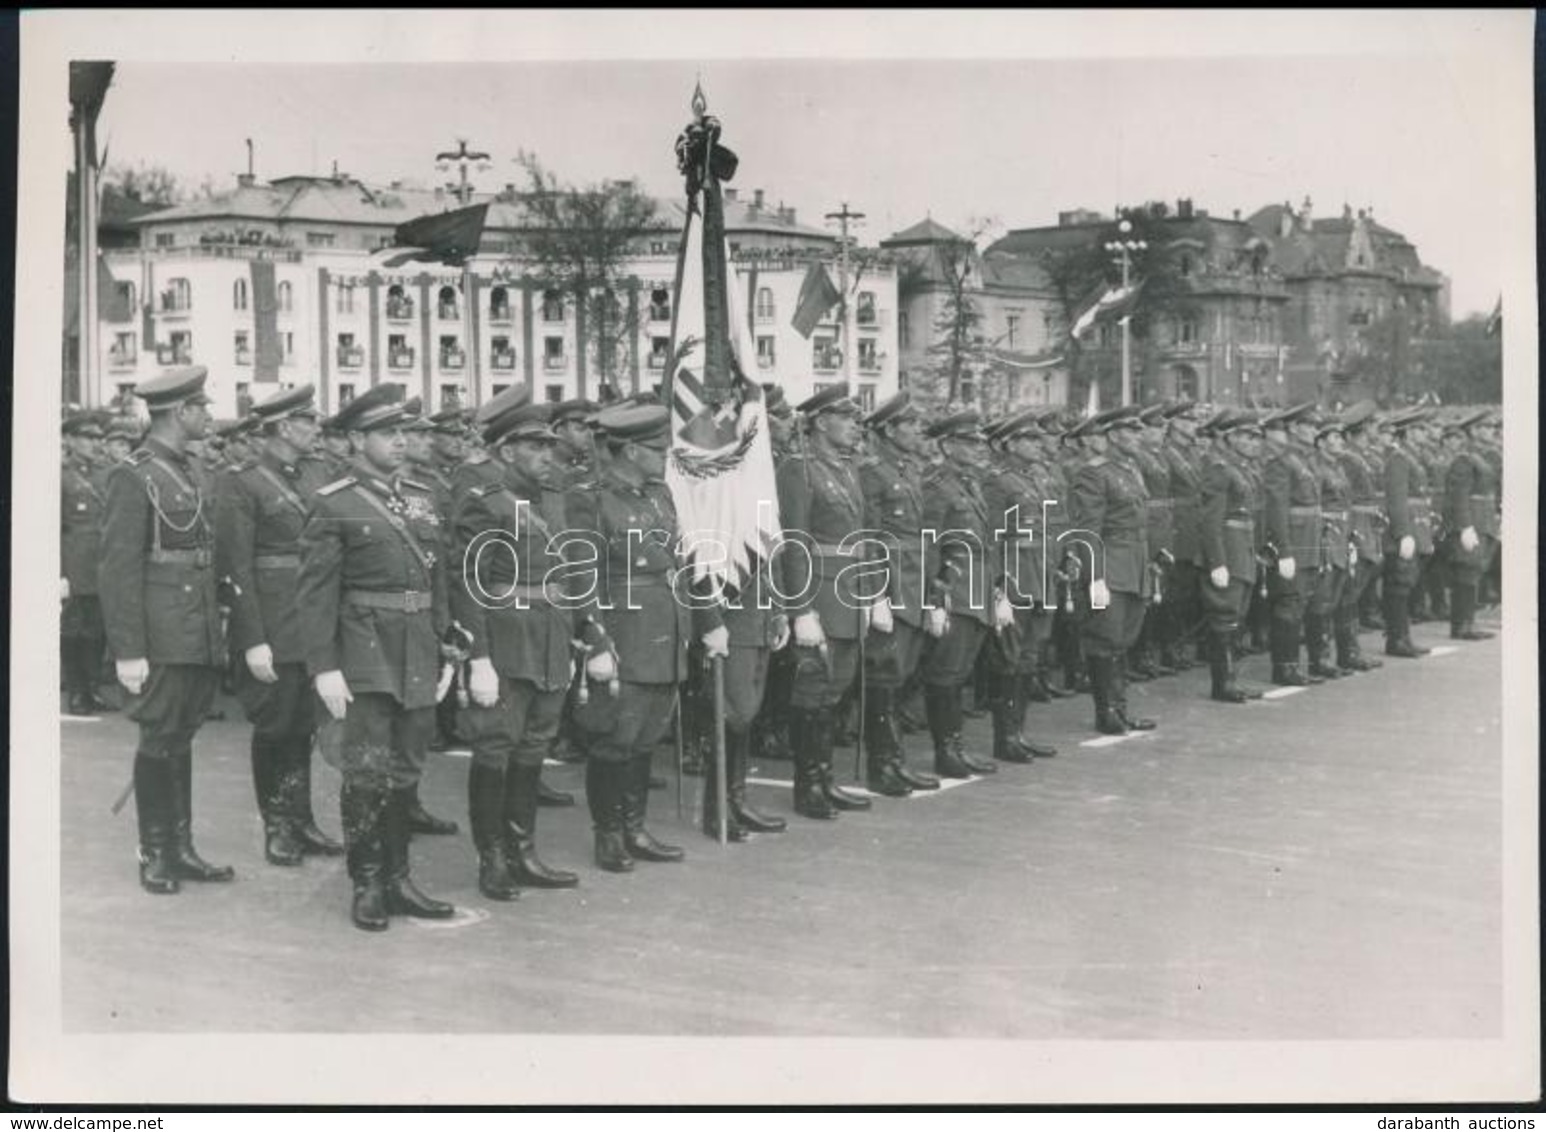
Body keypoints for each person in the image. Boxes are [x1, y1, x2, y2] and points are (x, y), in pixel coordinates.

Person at [294, 384, 457, 931]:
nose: (401, 442)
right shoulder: (333, 501)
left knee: (406, 769)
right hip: (364, 651)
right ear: (357, 439)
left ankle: (399, 878)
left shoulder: (422, 496)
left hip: (415, 648)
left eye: (404, 432)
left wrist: (444, 644)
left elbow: (439, 577)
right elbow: (315, 593)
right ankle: (367, 882)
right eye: (389, 433)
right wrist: (324, 667)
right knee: (367, 771)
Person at [98, 366, 234, 895]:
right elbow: (119, 570)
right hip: (159, 633)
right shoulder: (133, 475)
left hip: (194, 626)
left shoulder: (192, 470)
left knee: (180, 736)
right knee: (159, 736)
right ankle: (154, 851)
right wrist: (129, 651)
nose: (208, 416)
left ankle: (181, 848)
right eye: (202, 408)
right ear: (180, 413)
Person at [449, 397, 582, 898]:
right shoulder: (484, 498)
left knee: (534, 744)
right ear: (506, 451)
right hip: (506, 637)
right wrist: (479, 657)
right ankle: (493, 859)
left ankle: (523, 850)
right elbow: (469, 583)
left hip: (548, 633)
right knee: (497, 746)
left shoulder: (551, 497)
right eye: (533, 446)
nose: (546, 454)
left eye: (549, 445)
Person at [215, 384, 345, 867]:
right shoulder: (242, 481)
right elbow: (236, 567)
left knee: (304, 725)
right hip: (271, 622)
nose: (316, 429)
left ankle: (302, 819)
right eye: (308, 422)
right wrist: (253, 639)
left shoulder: (317, 472)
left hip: (311, 621)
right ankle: (276, 824)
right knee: (275, 725)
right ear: (284, 427)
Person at [573, 403, 705, 870]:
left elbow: (679, 563)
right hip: (624, 630)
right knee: (616, 737)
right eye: (656, 449)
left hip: (664, 628)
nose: (664, 457)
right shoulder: (591, 498)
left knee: (647, 737)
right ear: (629, 450)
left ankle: (635, 827)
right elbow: (582, 576)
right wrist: (595, 641)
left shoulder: (659, 495)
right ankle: (608, 834)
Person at [775, 384, 880, 819]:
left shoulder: (845, 468)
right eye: (848, 417)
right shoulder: (797, 470)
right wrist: (800, 609)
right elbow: (794, 543)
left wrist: (873, 593)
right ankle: (808, 786)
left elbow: (864, 537)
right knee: (812, 691)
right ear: (820, 422)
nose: (857, 426)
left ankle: (825, 778)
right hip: (820, 590)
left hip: (850, 590)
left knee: (834, 691)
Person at [855, 392, 943, 795]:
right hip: (890, 581)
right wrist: (875, 594)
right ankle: (882, 765)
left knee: (901, 673)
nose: (916, 431)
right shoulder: (871, 471)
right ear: (888, 430)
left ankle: (894, 759)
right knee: (884, 676)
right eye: (908, 425)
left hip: (912, 580)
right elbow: (868, 539)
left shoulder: (909, 469)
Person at [1065, 405, 1157, 735]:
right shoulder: (1094, 473)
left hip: (1133, 563)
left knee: (1123, 641)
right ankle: (1106, 712)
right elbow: (1087, 530)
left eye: (1138, 430)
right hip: (1110, 565)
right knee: (1105, 639)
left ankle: (1120, 709)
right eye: (1131, 431)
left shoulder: (1131, 469)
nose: (1138, 436)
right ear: (1114, 435)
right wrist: (1095, 577)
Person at [981, 408, 1060, 761]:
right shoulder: (998, 481)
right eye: (1028, 439)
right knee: (1009, 657)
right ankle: (1005, 737)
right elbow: (993, 537)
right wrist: (998, 588)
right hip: (1014, 572)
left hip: (1038, 571)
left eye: (1036, 438)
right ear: (1009, 444)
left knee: (1029, 656)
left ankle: (1018, 732)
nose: (1037, 444)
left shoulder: (1035, 478)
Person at [1194, 408, 1266, 703]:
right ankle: (1222, 683)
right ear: (1229, 437)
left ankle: (1230, 679)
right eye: (1246, 436)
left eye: (1256, 437)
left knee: (1236, 617)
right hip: (1227, 550)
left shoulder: (1241, 468)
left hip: (1242, 548)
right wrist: (1217, 562)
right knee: (1224, 617)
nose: (1254, 442)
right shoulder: (1220, 469)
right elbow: (1210, 521)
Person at [1260, 402, 1325, 686]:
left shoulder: (1307, 460)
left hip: (1309, 539)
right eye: (1307, 426)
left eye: (1314, 426)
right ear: (1293, 429)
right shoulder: (1281, 463)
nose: (1313, 431)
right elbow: (1276, 509)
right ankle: (1284, 667)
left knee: (1300, 603)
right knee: (1288, 603)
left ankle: (1292, 666)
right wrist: (1283, 551)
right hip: (1295, 542)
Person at [1380, 407, 1439, 658]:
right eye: (1418, 430)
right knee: (1399, 584)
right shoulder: (1399, 459)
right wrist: (1403, 532)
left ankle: (1403, 637)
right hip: (1407, 527)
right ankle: (1396, 639)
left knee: (1406, 583)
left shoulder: (1411, 457)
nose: (1423, 434)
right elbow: (1396, 499)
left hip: (1417, 525)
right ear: (1406, 433)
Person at [62, 411, 110, 715]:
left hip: (102, 566)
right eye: (87, 437)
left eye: (97, 438)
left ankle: (92, 688)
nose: (95, 443)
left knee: (98, 630)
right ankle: (78, 691)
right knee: (74, 631)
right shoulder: (60, 475)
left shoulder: (105, 473)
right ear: (69, 439)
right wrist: (59, 573)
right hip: (75, 568)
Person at [1332, 402, 1385, 672]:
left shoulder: (1363, 456)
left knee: (1355, 589)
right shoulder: (1349, 459)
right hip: (1356, 526)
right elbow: (1347, 499)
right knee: (1349, 591)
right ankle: (1348, 651)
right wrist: (1352, 534)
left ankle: (1352, 649)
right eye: (1371, 427)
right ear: (1357, 432)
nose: (1375, 432)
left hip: (1367, 525)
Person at [1440, 408, 1499, 640]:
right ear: (1473, 431)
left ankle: (1468, 622)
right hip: (1471, 520)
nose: (1491, 432)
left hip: (1483, 519)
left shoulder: (1482, 456)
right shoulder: (1464, 459)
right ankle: (1461, 625)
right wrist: (1465, 526)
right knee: (1465, 571)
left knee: (1474, 571)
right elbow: (1459, 496)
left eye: (1491, 428)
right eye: (1485, 428)